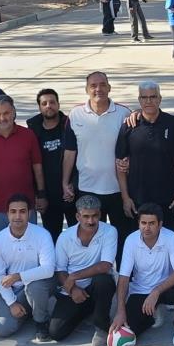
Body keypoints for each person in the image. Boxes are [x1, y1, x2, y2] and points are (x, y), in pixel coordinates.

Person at [63, 72, 132, 260]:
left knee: (122, 241)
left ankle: (123, 277)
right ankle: (96, 277)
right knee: (92, 243)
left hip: (117, 190)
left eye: (102, 84)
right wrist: (65, 182)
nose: (98, 89)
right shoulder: (75, 114)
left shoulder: (124, 114)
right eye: (93, 86)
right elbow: (70, 152)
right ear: (87, 89)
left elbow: (132, 148)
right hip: (87, 190)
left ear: (109, 87)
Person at [110, 203, 174, 345]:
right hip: (140, 290)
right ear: (139, 223)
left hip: (165, 288)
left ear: (160, 224)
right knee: (128, 330)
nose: (147, 228)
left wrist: (156, 292)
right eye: (143, 223)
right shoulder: (131, 240)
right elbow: (123, 278)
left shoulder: (170, 237)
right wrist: (120, 311)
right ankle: (153, 314)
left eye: (152, 223)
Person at [116, 81, 174, 233]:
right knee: (139, 243)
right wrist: (125, 198)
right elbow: (120, 165)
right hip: (137, 200)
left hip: (168, 200)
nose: (148, 101)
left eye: (153, 97)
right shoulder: (129, 126)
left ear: (160, 99)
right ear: (139, 100)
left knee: (169, 242)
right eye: (144, 97)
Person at [49, 195, 118, 346]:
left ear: (100, 214)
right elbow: (60, 270)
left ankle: (101, 326)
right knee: (56, 332)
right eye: (86, 216)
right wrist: (73, 289)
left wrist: (74, 276)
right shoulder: (65, 237)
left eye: (94, 216)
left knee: (104, 280)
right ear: (77, 217)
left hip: (95, 284)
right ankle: (87, 308)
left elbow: (105, 265)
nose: (91, 221)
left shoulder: (109, 231)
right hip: (72, 290)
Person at [0, 95, 46, 239]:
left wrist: (42, 195)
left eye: (6, 113)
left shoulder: (28, 135)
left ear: (13, 112)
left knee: (29, 246)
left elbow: (37, 167)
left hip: (25, 207)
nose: (2, 118)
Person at [0, 194, 57, 342]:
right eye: (13, 211)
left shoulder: (42, 235)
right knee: (2, 329)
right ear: (7, 214)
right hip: (14, 289)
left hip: (39, 284)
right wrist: (12, 303)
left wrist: (18, 276)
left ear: (29, 213)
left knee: (35, 287)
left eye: (22, 211)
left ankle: (40, 321)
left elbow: (48, 269)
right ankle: (31, 308)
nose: (17, 216)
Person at [27, 88, 76, 242]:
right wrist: (39, 194)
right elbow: (31, 165)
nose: (49, 106)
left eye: (52, 102)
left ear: (58, 104)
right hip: (48, 195)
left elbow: (79, 157)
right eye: (44, 103)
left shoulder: (70, 125)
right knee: (52, 238)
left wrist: (73, 184)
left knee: (76, 236)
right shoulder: (33, 131)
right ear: (39, 107)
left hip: (70, 193)